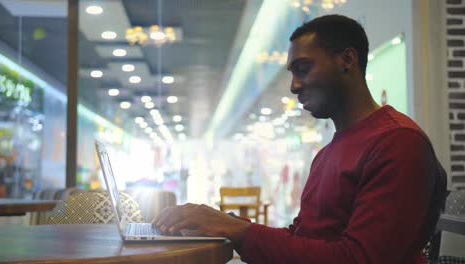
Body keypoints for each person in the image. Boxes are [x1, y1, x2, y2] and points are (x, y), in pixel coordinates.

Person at [152, 14, 447, 263]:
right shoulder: (330, 152)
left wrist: (239, 231)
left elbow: (358, 258)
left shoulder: (397, 142)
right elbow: (302, 237)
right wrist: (227, 225)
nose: (293, 86)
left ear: (347, 59)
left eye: (303, 69)